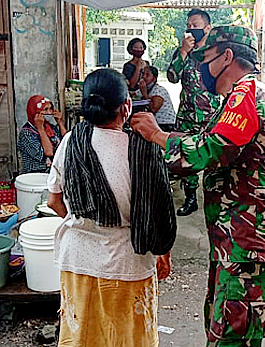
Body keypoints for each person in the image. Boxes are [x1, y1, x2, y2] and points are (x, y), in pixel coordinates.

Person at [132, 26, 265, 347]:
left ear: (226, 56)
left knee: (232, 338)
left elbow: (210, 150)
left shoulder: (249, 95)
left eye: (207, 58)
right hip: (235, 239)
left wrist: (157, 135)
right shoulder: (236, 98)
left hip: (249, 241)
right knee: (222, 329)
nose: (202, 66)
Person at [47, 68, 176, 347]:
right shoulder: (143, 148)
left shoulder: (71, 142)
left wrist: (84, 223)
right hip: (127, 263)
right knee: (129, 339)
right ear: (126, 105)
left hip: (77, 260)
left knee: (83, 338)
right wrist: (163, 251)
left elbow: (53, 201)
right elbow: (159, 211)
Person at [167, 8, 221, 216]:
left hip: (211, 115)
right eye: (189, 25)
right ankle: (191, 199)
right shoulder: (183, 51)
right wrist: (182, 52)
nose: (191, 28)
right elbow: (172, 77)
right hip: (187, 115)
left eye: (195, 25)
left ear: (207, 28)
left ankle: (215, 198)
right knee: (186, 158)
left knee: (214, 157)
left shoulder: (216, 52)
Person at [18, 95, 68, 174]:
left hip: (53, 172)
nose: (49, 112)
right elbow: (49, 152)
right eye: (45, 109)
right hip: (35, 175)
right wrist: (40, 128)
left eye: (51, 109)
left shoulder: (50, 128)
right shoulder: (26, 133)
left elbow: (67, 143)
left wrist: (60, 123)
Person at [138, 66, 176, 132]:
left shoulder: (158, 90)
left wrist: (144, 94)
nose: (143, 77)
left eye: (147, 75)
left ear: (154, 79)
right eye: (142, 74)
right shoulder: (144, 89)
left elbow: (153, 109)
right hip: (156, 124)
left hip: (165, 124)